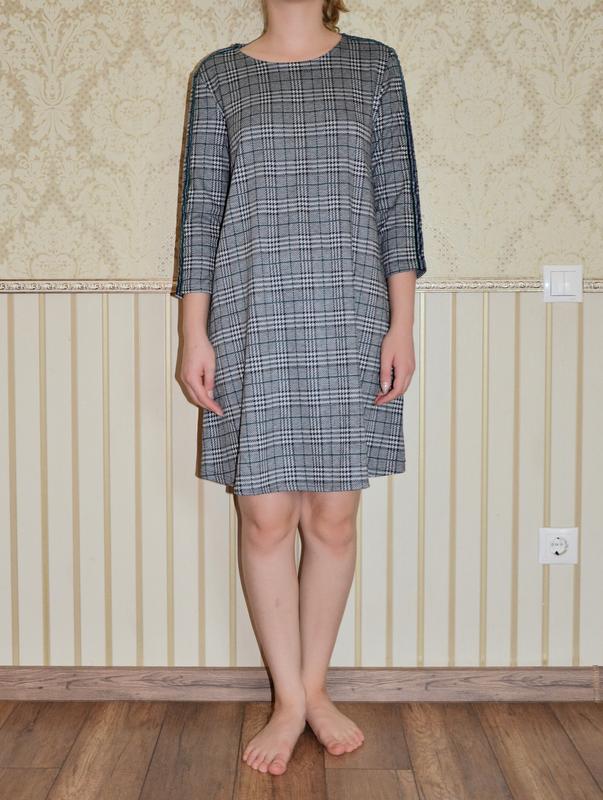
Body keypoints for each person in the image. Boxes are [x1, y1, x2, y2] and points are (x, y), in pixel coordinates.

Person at [175, 0, 427, 777]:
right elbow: (200, 214)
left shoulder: (375, 66)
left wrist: (401, 326)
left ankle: (313, 691)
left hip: (350, 315)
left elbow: (397, 207)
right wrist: (193, 334)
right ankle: (288, 700)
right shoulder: (219, 76)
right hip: (249, 316)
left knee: (333, 519)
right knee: (263, 518)